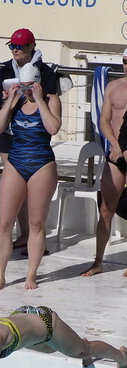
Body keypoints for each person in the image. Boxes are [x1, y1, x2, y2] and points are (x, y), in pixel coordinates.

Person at [0, 28, 59, 256]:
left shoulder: (45, 72)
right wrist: (7, 103)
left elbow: (50, 103)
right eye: (12, 46)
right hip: (10, 137)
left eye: (19, 46)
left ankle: (30, 236)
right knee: (16, 190)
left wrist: (34, 99)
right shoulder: (4, 70)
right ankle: (23, 235)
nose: (15, 50)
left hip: (35, 141)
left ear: (31, 46)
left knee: (32, 196)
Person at [0, 63, 60, 291]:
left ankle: (31, 274)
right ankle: (0, 275)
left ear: (39, 83)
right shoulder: (16, 101)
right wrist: (9, 102)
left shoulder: (50, 100)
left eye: (31, 86)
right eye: (24, 86)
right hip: (16, 161)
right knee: (4, 223)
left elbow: (53, 128)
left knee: (36, 223)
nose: (27, 90)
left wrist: (39, 100)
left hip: (42, 164)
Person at [83, 48, 127, 277]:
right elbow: (104, 121)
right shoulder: (113, 88)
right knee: (106, 209)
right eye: (125, 61)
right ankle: (98, 261)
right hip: (116, 155)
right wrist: (115, 145)